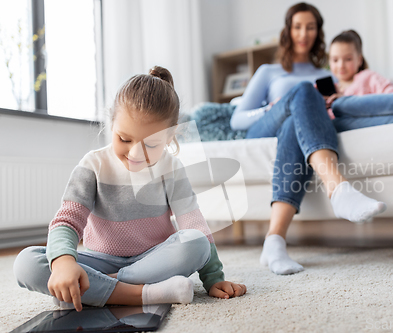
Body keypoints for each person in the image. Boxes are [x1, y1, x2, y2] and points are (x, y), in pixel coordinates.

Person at [230, 2, 393, 276]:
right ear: (288, 31)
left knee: (316, 111)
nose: (303, 33)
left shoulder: (327, 75)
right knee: (303, 93)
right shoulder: (269, 71)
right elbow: (237, 119)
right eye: (297, 27)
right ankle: (339, 189)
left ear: (318, 32)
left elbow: (363, 89)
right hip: (266, 124)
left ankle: (275, 242)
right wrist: (274, 107)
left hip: (297, 126)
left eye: (310, 27)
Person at [13, 66, 246, 312]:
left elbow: (193, 224)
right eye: (124, 139)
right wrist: (63, 263)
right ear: (112, 124)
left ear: (170, 137)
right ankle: (144, 293)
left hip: (155, 260)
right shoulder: (93, 165)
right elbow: (67, 222)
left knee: (197, 242)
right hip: (100, 261)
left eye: (151, 144)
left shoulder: (172, 168)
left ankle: (97, 290)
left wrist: (214, 278)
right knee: (26, 263)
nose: (135, 153)